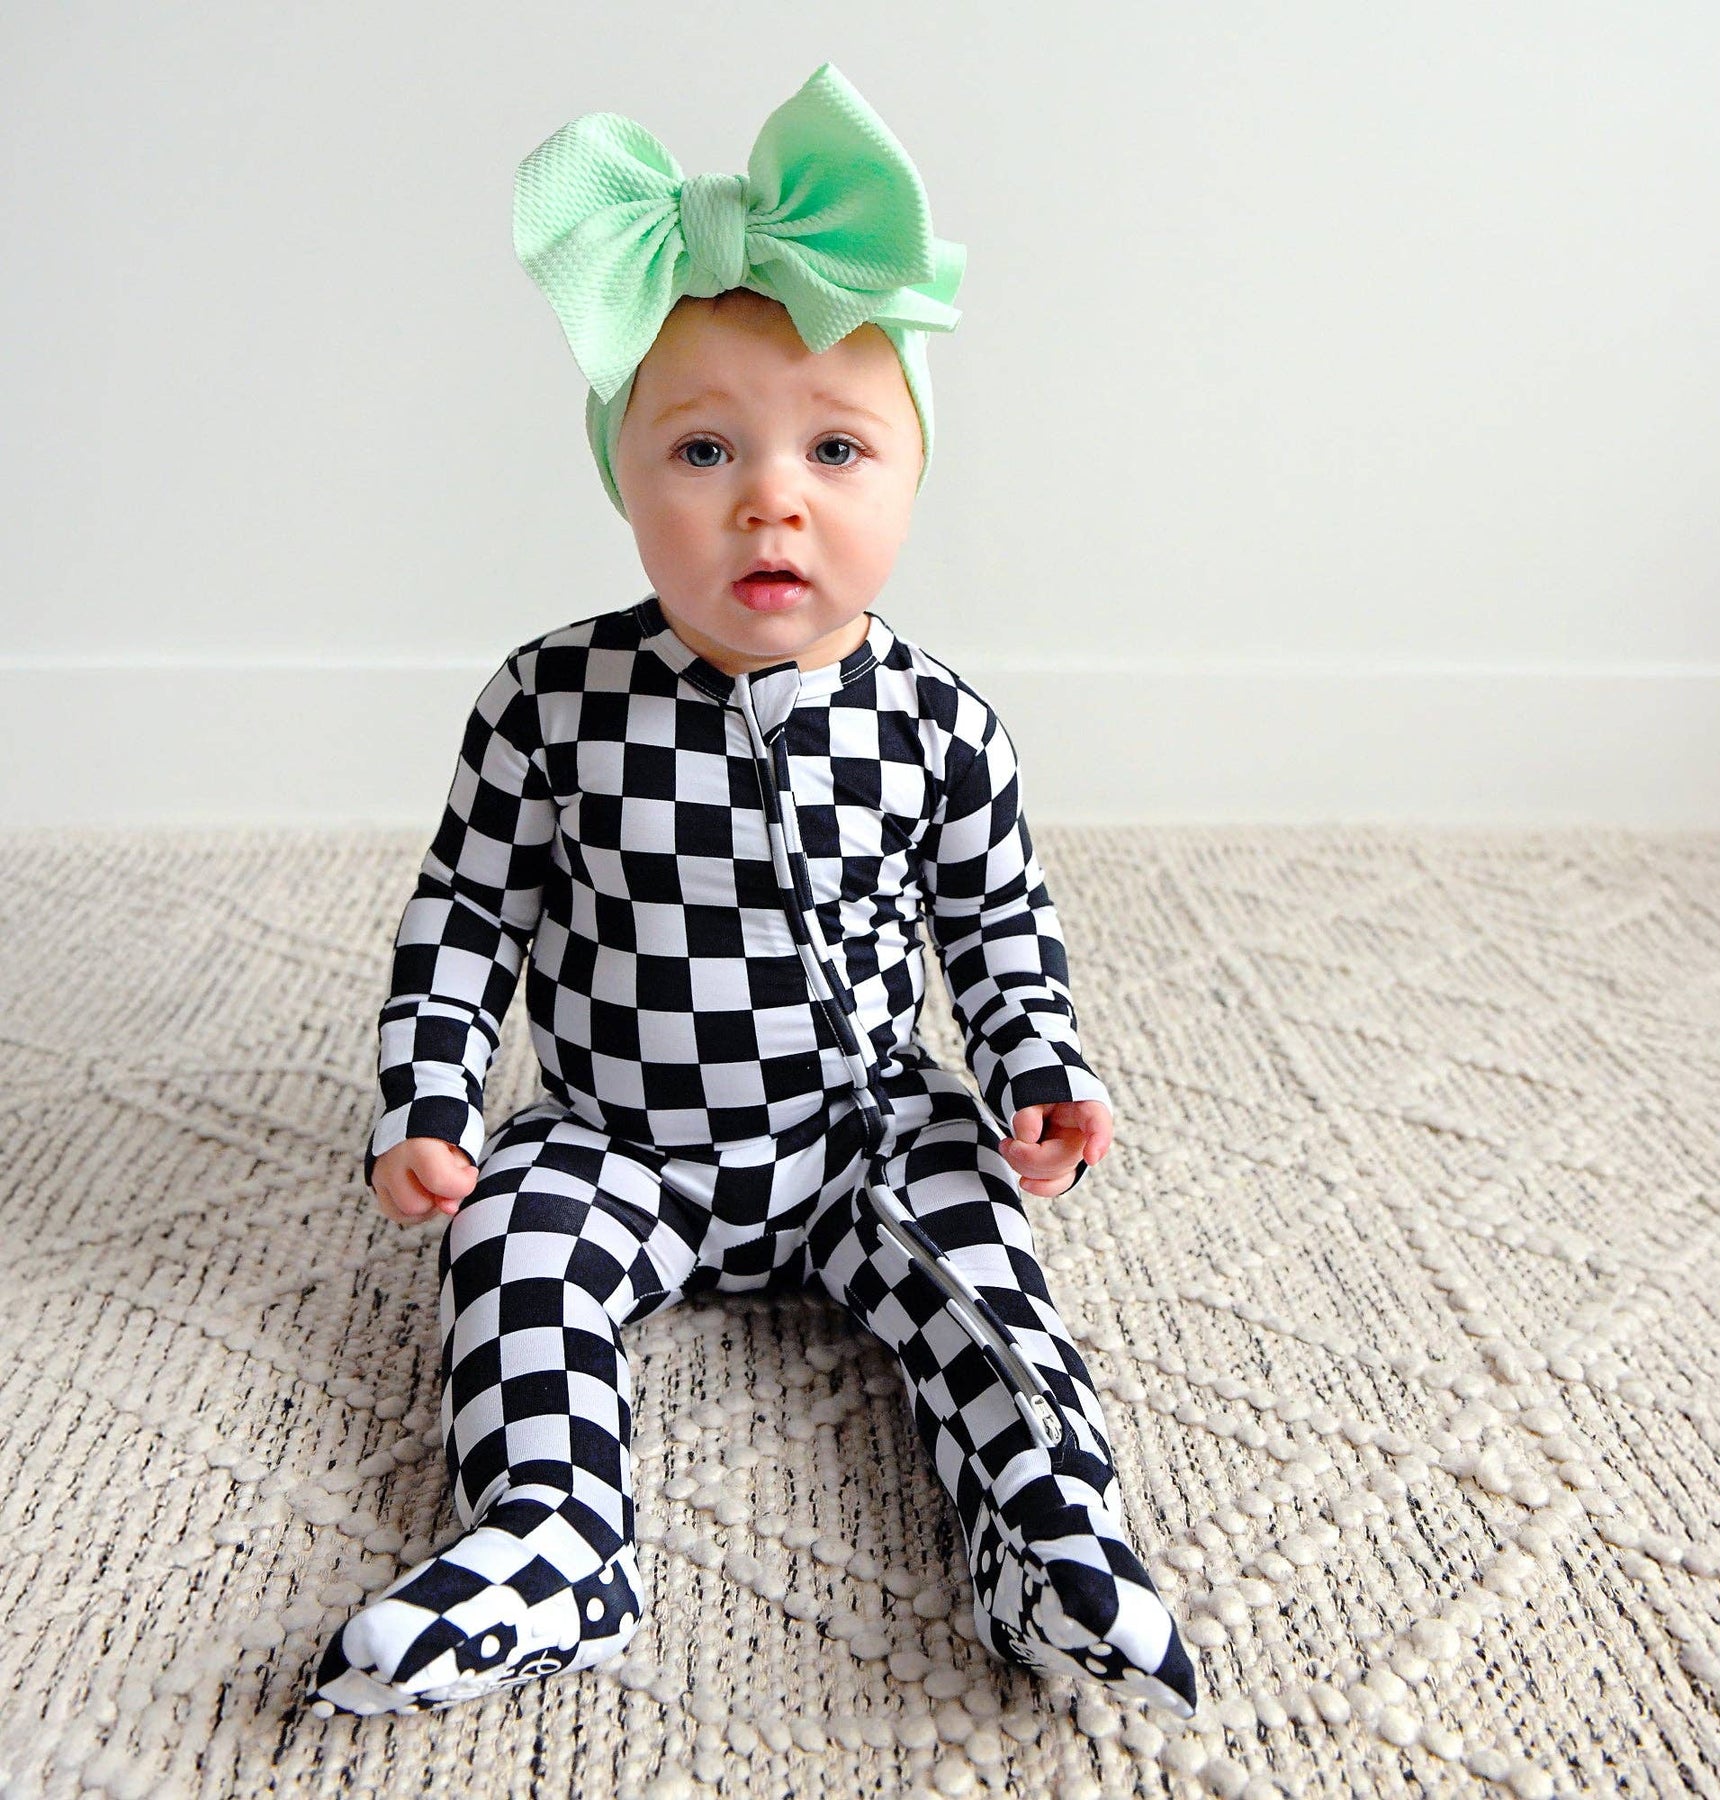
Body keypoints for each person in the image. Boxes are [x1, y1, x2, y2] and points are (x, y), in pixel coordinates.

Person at [307, 61, 1196, 1720]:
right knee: (511, 1257)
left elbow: (997, 925)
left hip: (860, 1129)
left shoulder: (936, 724)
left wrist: (1037, 1070)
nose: (770, 498)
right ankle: (553, 1539)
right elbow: (467, 920)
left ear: (912, 476)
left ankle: (1049, 1535)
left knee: (986, 1275)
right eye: (704, 447)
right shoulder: (549, 702)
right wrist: (428, 1106)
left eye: (837, 448)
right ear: (623, 475)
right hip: (618, 1136)